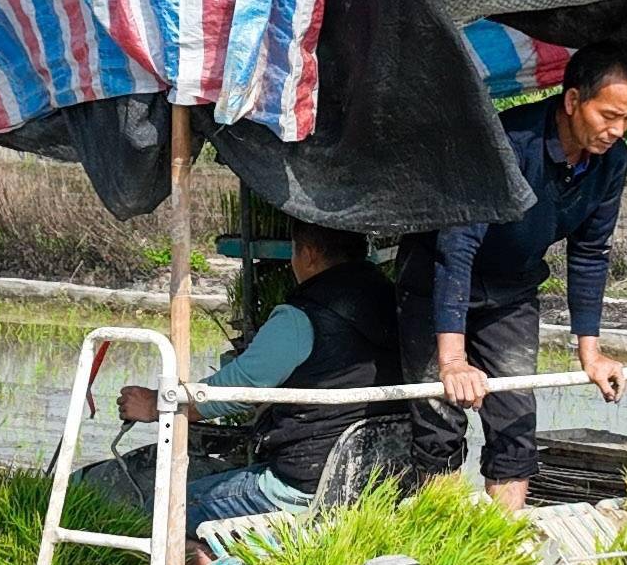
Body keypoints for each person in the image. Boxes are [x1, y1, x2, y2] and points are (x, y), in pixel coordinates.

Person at [405, 42, 627, 507]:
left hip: (512, 293)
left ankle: (503, 546)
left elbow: (591, 251)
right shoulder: (508, 145)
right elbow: (458, 246)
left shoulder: (610, 162)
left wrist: (589, 354)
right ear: (573, 101)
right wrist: (453, 360)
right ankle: (441, 545)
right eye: (608, 115)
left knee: (515, 425)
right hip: (437, 283)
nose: (617, 130)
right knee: (441, 422)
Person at [84, 221, 405, 538]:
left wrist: (156, 404)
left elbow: (236, 389)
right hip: (373, 477)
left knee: (160, 510)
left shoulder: (302, 317)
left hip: (306, 485)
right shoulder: (392, 299)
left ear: (308, 254)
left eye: (294, 252)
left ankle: (209, 560)